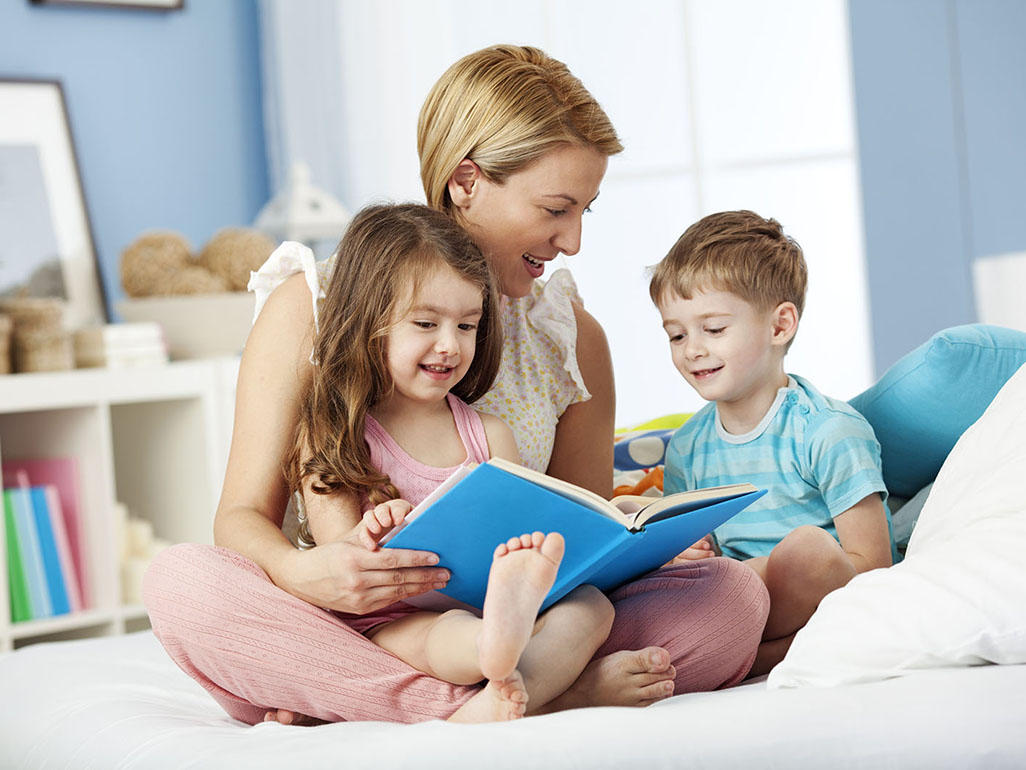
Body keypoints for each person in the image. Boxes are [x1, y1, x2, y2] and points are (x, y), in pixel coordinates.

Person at [143, 44, 769, 725]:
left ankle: (389, 697)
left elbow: (583, 540)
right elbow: (240, 519)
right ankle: (476, 704)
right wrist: (307, 574)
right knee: (184, 586)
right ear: (466, 180)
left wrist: (645, 539)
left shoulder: (570, 337)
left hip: (521, 623)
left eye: (587, 211)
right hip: (354, 620)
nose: (574, 241)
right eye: (557, 208)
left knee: (732, 599)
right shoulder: (312, 307)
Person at [287, 202, 613, 722]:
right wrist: (376, 530)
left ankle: (509, 685)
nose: (450, 345)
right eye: (425, 323)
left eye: (467, 325)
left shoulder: (490, 435)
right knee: (446, 637)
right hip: (394, 620)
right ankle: (494, 657)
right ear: (368, 323)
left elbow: (524, 532)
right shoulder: (335, 433)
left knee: (594, 607)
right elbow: (341, 559)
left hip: (486, 601)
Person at [648, 209, 894, 677]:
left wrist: (755, 573)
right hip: (736, 605)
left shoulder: (829, 430)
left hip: (813, 596)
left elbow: (873, 568)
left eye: (713, 329)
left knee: (807, 549)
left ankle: (766, 655)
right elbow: (699, 560)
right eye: (676, 334)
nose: (691, 349)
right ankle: (745, 652)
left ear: (780, 326)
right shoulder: (686, 448)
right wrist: (691, 551)